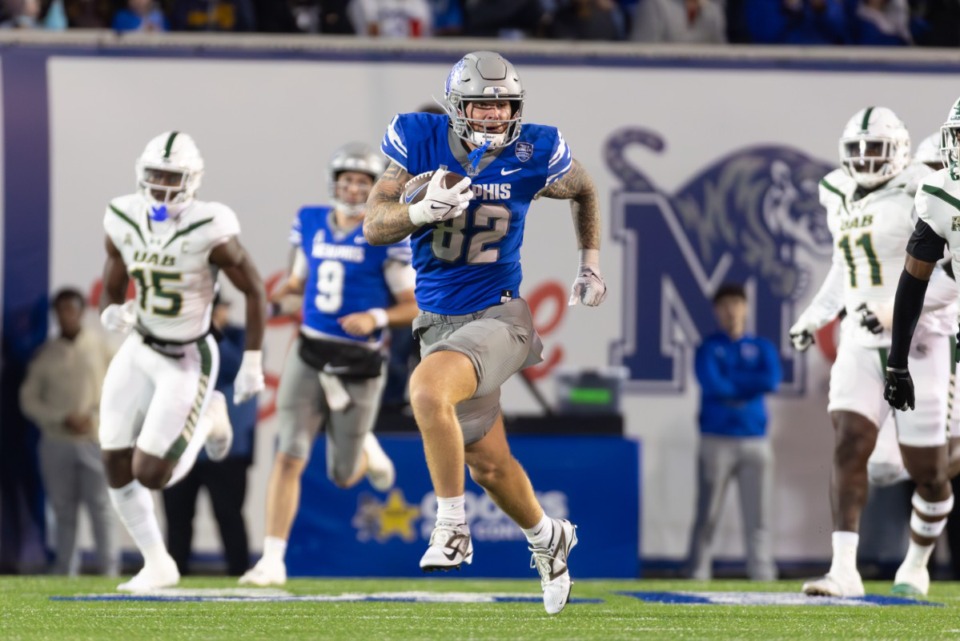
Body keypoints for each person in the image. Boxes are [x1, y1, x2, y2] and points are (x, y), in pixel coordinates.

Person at [363, 51, 607, 615]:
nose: (495, 116)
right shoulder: (417, 138)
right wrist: (419, 213)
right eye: (482, 104)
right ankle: (549, 537)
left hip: (502, 317)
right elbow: (375, 223)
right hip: (438, 323)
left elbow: (586, 188)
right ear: (456, 106)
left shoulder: (534, 149)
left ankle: (452, 527)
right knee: (488, 464)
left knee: (426, 390)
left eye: (504, 105)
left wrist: (589, 262)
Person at [790, 107, 955, 598]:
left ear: (901, 151)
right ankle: (844, 569)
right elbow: (846, 265)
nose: (866, 159)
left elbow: (948, 268)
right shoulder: (835, 190)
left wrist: (891, 309)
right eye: (859, 150)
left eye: (876, 149)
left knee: (929, 472)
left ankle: (917, 564)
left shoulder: (923, 187)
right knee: (849, 441)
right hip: (859, 340)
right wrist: (816, 315)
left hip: (919, 336)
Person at [239, 142, 417, 587]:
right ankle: (273, 560)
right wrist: (273, 299)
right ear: (334, 182)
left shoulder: (386, 233)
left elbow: (412, 305)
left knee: (342, 475)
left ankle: (365, 448)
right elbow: (298, 281)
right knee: (289, 453)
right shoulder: (311, 221)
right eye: (347, 180)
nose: (353, 188)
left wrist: (375, 317)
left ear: (375, 188)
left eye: (362, 181)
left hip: (358, 363)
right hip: (310, 351)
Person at [98, 130, 266, 592]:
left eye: (171, 177)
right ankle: (158, 563)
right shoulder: (123, 215)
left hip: (188, 355)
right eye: (154, 174)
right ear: (140, 172)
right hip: (141, 346)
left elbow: (254, 288)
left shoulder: (210, 226)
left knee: (151, 474)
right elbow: (113, 275)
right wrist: (113, 310)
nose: (161, 185)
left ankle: (213, 415)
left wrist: (252, 360)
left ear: (192, 181)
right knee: (112, 458)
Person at [885, 97, 960, 591]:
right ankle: (916, 561)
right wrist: (896, 363)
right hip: (941, 330)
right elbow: (912, 283)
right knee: (928, 465)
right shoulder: (940, 194)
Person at [19, 287, 119, 576]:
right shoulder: (46, 354)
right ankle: (65, 568)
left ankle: (109, 569)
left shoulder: (101, 347)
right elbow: (29, 400)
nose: (66, 316)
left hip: (95, 438)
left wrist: (95, 416)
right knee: (63, 510)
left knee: (101, 507)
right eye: (61, 311)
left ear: (81, 311)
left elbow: (120, 388)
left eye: (71, 310)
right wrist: (61, 417)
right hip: (57, 440)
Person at [687, 283, 780, 582]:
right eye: (724, 305)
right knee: (707, 513)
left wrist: (734, 383)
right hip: (717, 439)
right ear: (716, 310)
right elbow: (714, 385)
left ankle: (762, 571)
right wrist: (747, 385)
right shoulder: (708, 347)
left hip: (755, 439)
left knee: (759, 516)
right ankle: (699, 570)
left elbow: (771, 379)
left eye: (736, 304)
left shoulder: (762, 346)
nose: (730, 311)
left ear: (745, 307)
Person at [163, 294, 257, 577]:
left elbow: (231, 367)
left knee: (229, 517)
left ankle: (239, 573)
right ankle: (173, 575)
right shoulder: (178, 341)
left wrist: (208, 331)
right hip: (180, 446)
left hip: (228, 452)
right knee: (178, 520)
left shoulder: (241, 337)